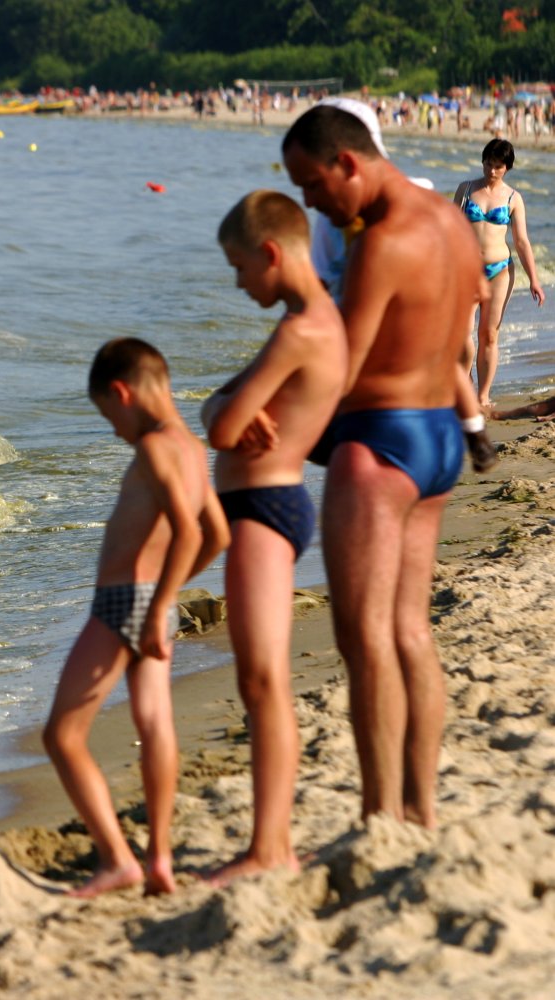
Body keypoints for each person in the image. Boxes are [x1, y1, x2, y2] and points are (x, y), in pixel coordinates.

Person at [283, 106, 490, 827]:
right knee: (410, 632)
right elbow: (463, 338)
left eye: (310, 185)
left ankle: (378, 817)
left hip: (378, 443)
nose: (309, 202)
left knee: (362, 638)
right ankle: (420, 811)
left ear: (347, 163)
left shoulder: (380, 243)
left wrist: (260, 425)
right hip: (438, 440)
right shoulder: (451, 222)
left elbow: (340, 367)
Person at [43, 338, 229, 896]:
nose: (114, 429)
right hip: (156, 605)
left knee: (62, 736)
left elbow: (192, 531)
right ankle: (160, 860)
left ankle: (117, 858)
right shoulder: (194, 449)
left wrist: (152, 602)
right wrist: (168, 597)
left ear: (121, 393)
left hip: (127, 603)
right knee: (154, 722)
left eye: (108, 416)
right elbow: (216, 533)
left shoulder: (152, 448)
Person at [201, 191, 346, 882]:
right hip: (264, 500)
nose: (237, 283)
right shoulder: (306, 318)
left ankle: (270, 848)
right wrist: (225, 405)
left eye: (238, 267)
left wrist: (227, 409)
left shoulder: (299, 331)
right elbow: (218, 406)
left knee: (263, 681)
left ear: (269, 253)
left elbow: (223, 428)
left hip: (267, 502)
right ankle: (270, 843)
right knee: (260, 679)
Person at [310, 97, 499, 474]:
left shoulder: (362, 223)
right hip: (425, 414)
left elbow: (328, 303)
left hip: (386, 416)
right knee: (448, 364)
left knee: (449, 362)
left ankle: (475, 430)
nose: (308, 197)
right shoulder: (402, 198)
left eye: (311, 182)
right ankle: (474, 432)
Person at [453, 139, 546, 409]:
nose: (491, 171)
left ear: (507, 168)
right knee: (462, 334)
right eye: (488, 164)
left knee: (489, 334)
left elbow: (522, 242)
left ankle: (483, 396)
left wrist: (534, 280)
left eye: (497, 166)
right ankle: (465, 383)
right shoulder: (466, 189)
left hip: (499, 271)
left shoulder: (513, 198)